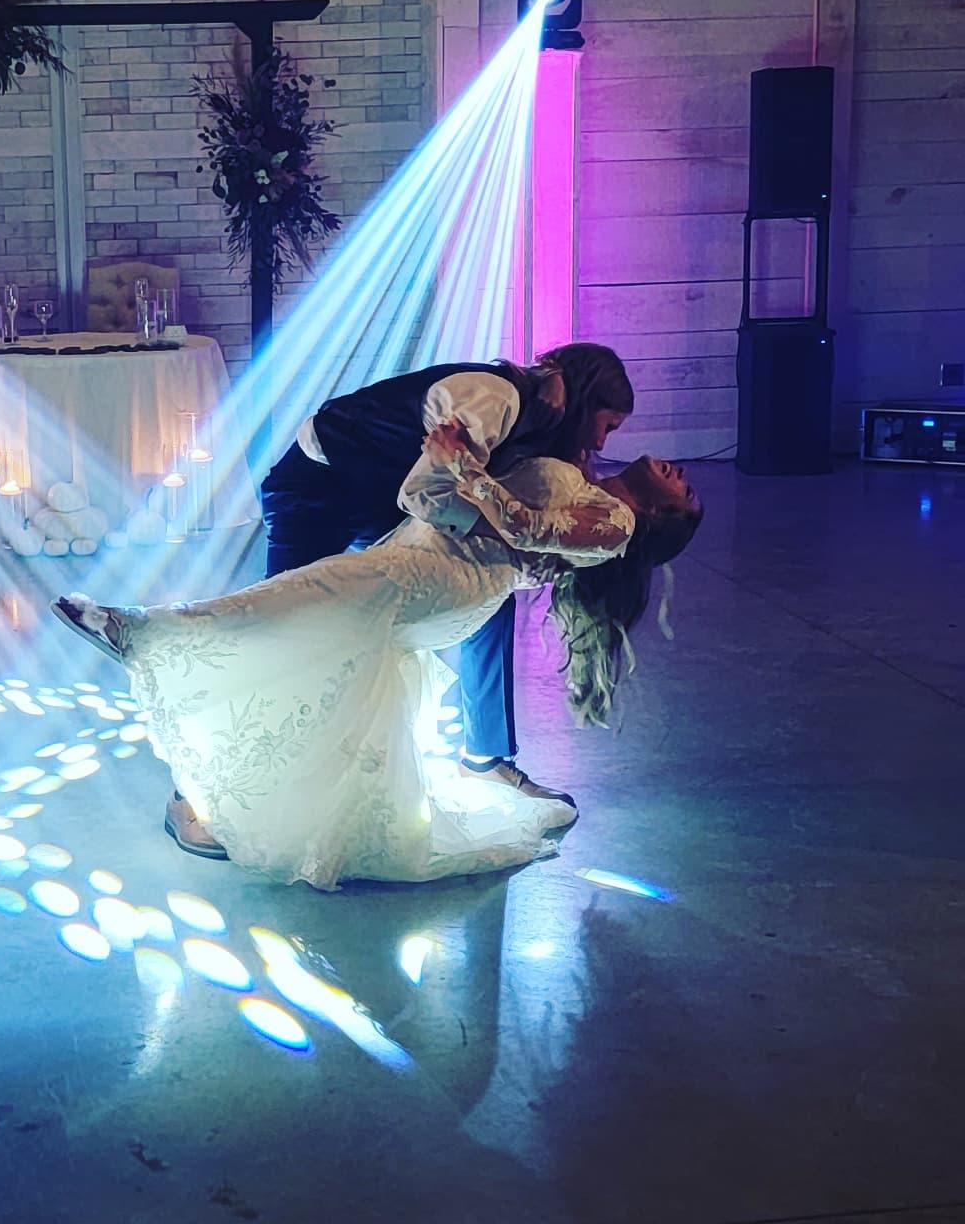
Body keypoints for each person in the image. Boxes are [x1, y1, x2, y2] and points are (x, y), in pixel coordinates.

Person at [52, 432, 702, 890]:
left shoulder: (617, 527)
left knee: (299, 595)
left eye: (685, 492)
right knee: (309, 645)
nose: (680, 474)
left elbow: (526, 528)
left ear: (658, 515)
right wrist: (451, 464)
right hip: (424, 553)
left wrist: (465, 466)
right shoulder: (586, 476)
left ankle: (142, 631)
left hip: (451, 579)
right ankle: (239, 790)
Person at [259, 343, 635, 804]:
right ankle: (215, 787)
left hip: (383, 497)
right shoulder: (495, 399)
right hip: (317, 485)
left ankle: (485, 758)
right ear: (587, 399)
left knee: (490, 595)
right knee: (282, 629)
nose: (601, 444)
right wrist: (509, 533)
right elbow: (424, 494)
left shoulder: (538, 419)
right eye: (607, 426)